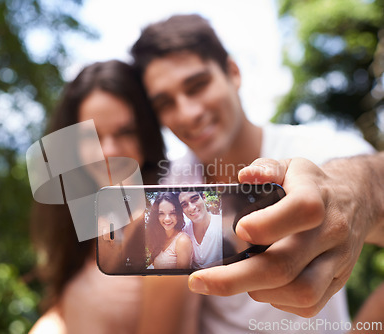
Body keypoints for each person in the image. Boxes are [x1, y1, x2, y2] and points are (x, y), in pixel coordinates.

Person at [130, 13, 376, 333]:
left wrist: (359, 192)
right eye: (165, 103)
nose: (187, 113)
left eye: (198, 85)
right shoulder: (167, 191)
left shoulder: (320, 150)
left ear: (232, 72)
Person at [29, 60, 199, 334]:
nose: (108, 151)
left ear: (146, 134)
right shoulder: (95, 217)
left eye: (126, 132)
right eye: (92, 136)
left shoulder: (162, 226)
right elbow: (67, 311)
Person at [189, 154, 384, 317]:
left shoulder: (328, 143)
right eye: (165, 106)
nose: (190, 114)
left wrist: (363, 192)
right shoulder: (172, 172)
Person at [146, 192, 192, 269]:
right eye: (161, 213)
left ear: (178, 214)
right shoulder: (160, 237)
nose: (167, 219)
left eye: (172, 213)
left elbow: (181, 278)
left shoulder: (182, 240)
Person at [177, 191, 223, 268]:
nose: (191, 208)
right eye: (184, 205)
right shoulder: (184, 233)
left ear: (204, 198)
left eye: (194, 199)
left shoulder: (222, 225)